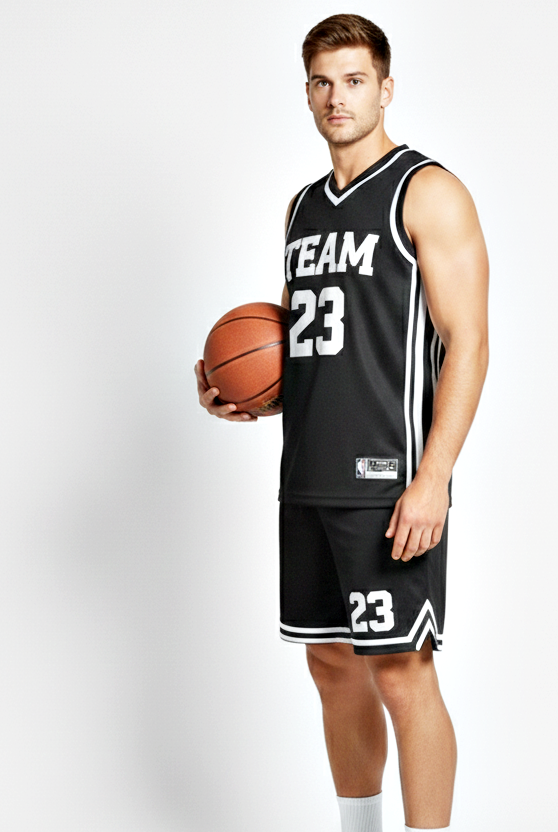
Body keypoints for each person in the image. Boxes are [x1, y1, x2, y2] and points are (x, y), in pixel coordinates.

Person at [195, 14, 489, 832]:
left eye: (355, 80)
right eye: (323, 83)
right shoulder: (301, 209)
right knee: (331, 666)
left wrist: (433, 479)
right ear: (307, 94)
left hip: (387, 482)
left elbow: (469, 342)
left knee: (401, 672)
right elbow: (317, 349)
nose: (338, 97)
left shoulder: (426, 191)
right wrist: (243, 393)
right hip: (307, 478)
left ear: (385, 89)